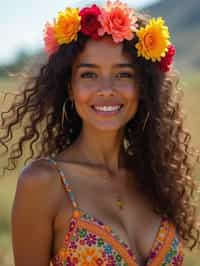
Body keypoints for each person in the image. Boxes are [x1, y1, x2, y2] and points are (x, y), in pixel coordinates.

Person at [1, 1, 199, 265]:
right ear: (70, 88)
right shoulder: (44, 183)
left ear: (142, 87)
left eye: (123, 74)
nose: (106, 89)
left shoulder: (156, 177)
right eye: (89, 74)